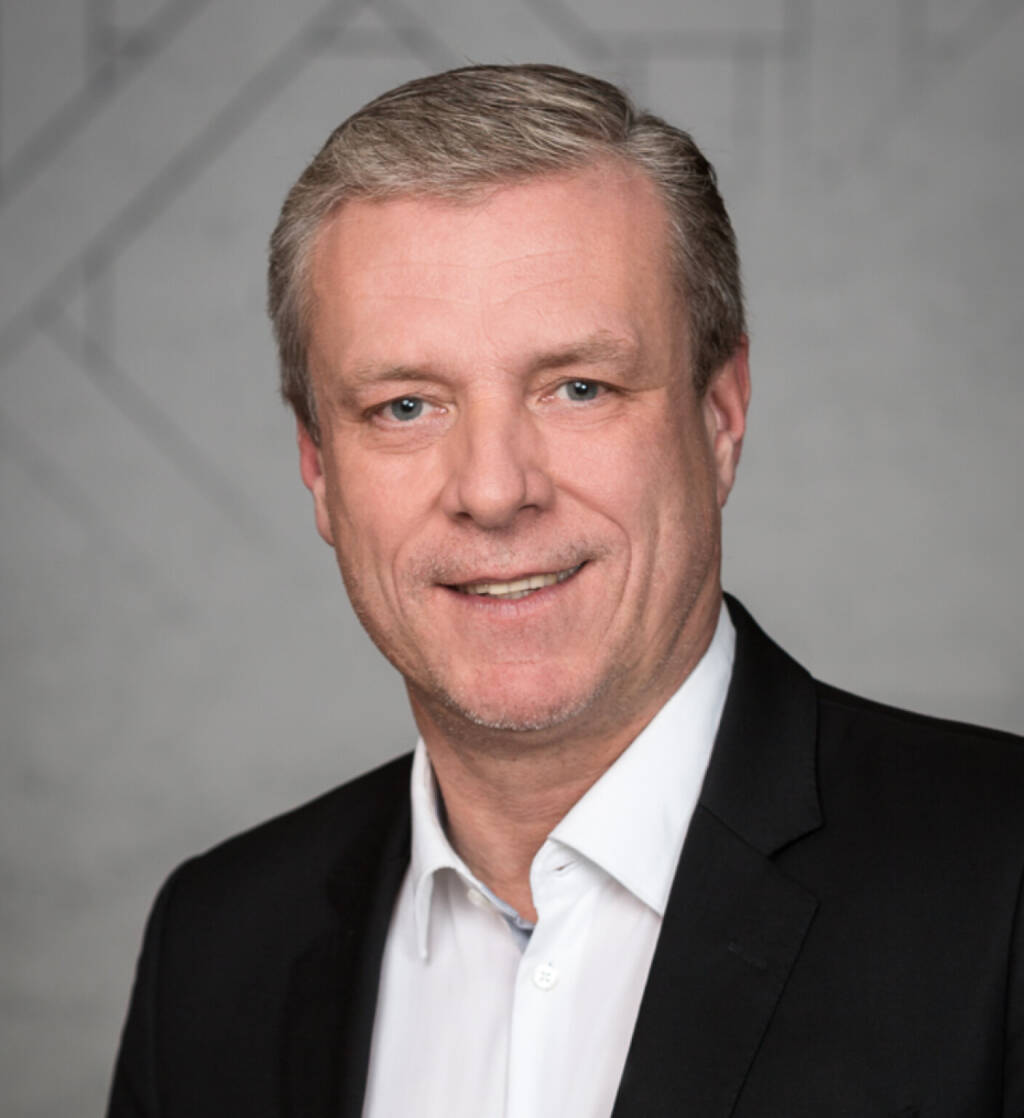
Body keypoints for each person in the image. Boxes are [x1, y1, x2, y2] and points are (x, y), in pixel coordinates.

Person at [107, 64, 1024, 1118]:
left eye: (578, 387)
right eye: (406, 406)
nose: (494, 490)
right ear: (319, 467)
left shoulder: (1001, 887)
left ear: (720, 416)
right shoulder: (213, 950)